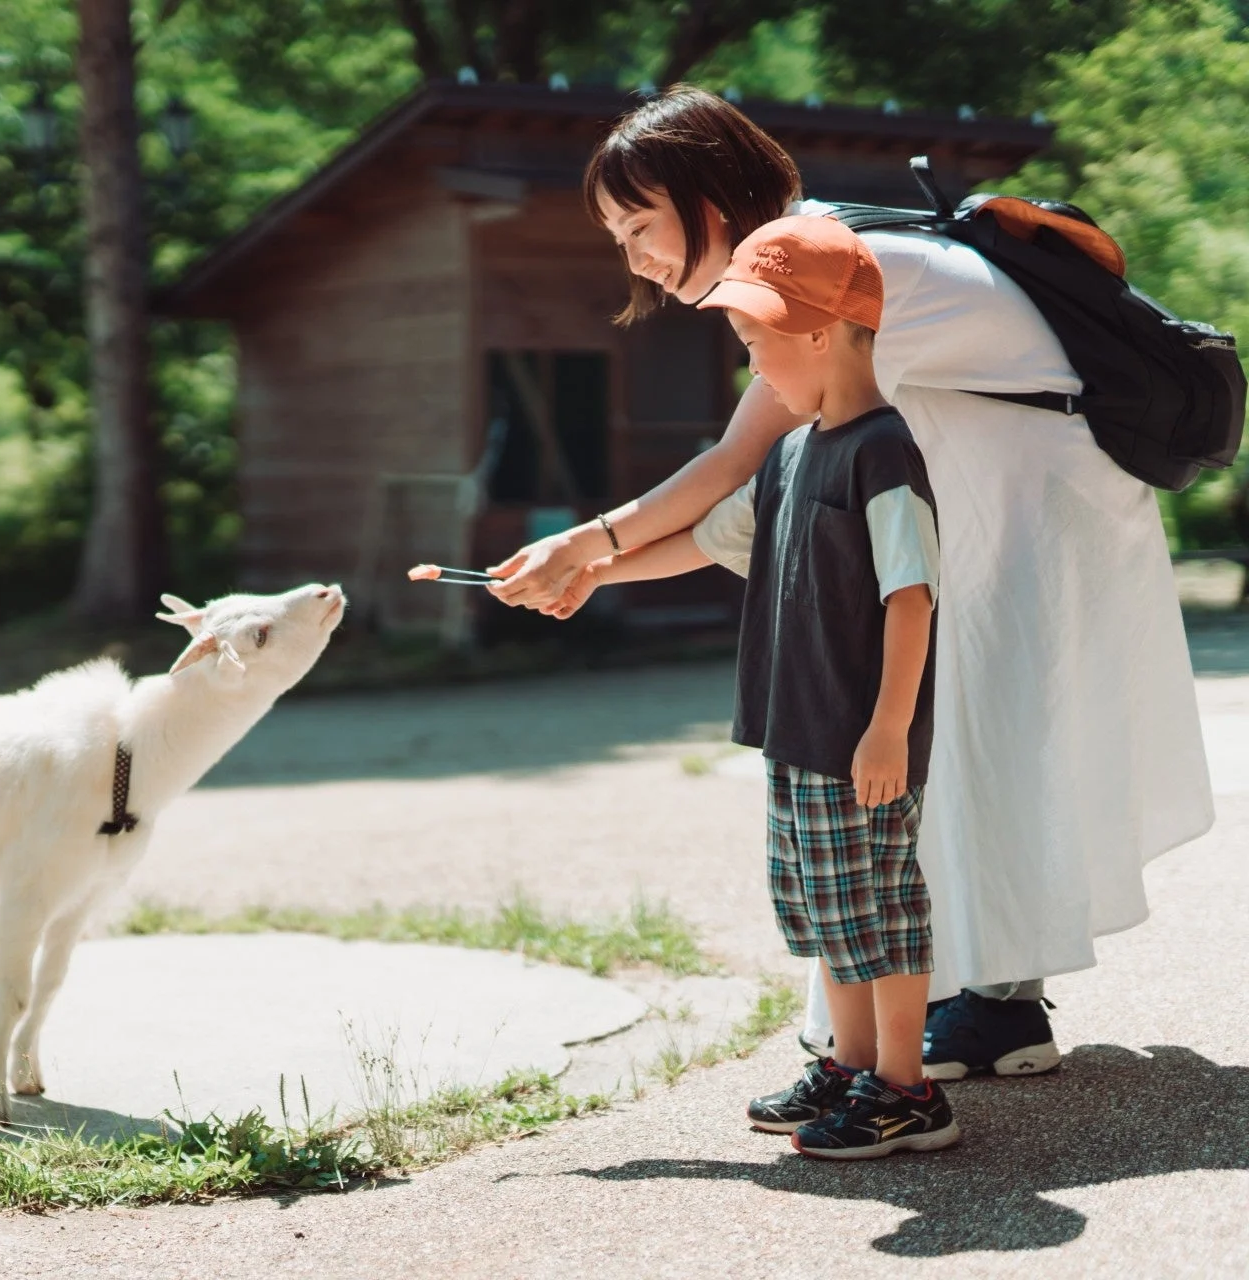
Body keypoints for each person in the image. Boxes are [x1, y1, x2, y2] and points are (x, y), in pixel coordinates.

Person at [490, 86, 1213, 1079]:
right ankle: (967, 1002)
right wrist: (591, 563)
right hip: (1003, 480)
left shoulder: (824, 265)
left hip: (1037, 496)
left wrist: (586, 543)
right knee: (950, 744)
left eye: (640, 224)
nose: (635, 259)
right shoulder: (808, 282)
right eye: (617, 234)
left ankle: (993, 1006)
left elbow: (733, 464)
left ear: (710, 192)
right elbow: (750, 514)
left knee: (972, 740)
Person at [583, 214, 955, 1157]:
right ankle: (853, 1066)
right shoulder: (791, 456)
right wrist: (584, 570)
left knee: (879, 906)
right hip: (797, 730)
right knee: (826, 907)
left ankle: (906, 1089)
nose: (752, 367)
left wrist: (888, 728)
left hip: (858, 738)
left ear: (822, 333)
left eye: (758, 344)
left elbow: (912, 598)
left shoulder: (884, 453)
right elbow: (715, 543)